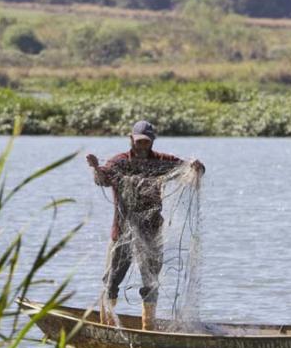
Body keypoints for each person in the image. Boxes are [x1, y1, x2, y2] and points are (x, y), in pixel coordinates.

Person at [86, 120, 205, 330]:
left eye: (146, 142)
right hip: (122, 233)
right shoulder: (120, 162)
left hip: (151, 234)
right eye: (139, 141)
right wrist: (95, 167)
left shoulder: (161, 162)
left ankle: (147, 328)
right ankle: (107, 327)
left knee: (151, 284)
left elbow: (191, 169)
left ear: (152, 141)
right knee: (111, 281)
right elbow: (102, 179)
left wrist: (197, 166)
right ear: (131, 139)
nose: (142, 145)